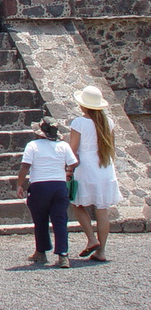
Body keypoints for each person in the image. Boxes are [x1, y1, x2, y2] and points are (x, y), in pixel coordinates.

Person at [70, 85, 122, 262]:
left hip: (86, 169)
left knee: (77, 203)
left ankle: (91, 239)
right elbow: (111, 149)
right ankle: (103, 251)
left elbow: (73, 150)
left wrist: (68, 169)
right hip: (105, 169)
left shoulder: (79, 123)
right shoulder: (108, 123)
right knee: (102, 209)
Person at [16, 116, 77, 268]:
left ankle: (41, 251)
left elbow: (25, 166)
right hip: (59, 185)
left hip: (39, 186)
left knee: (40, 220)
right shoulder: (63, 145)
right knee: (60, 220)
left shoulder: (33, 145)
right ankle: (63, 255)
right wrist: (67, 171)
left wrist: (19, 185)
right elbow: (74, 162)